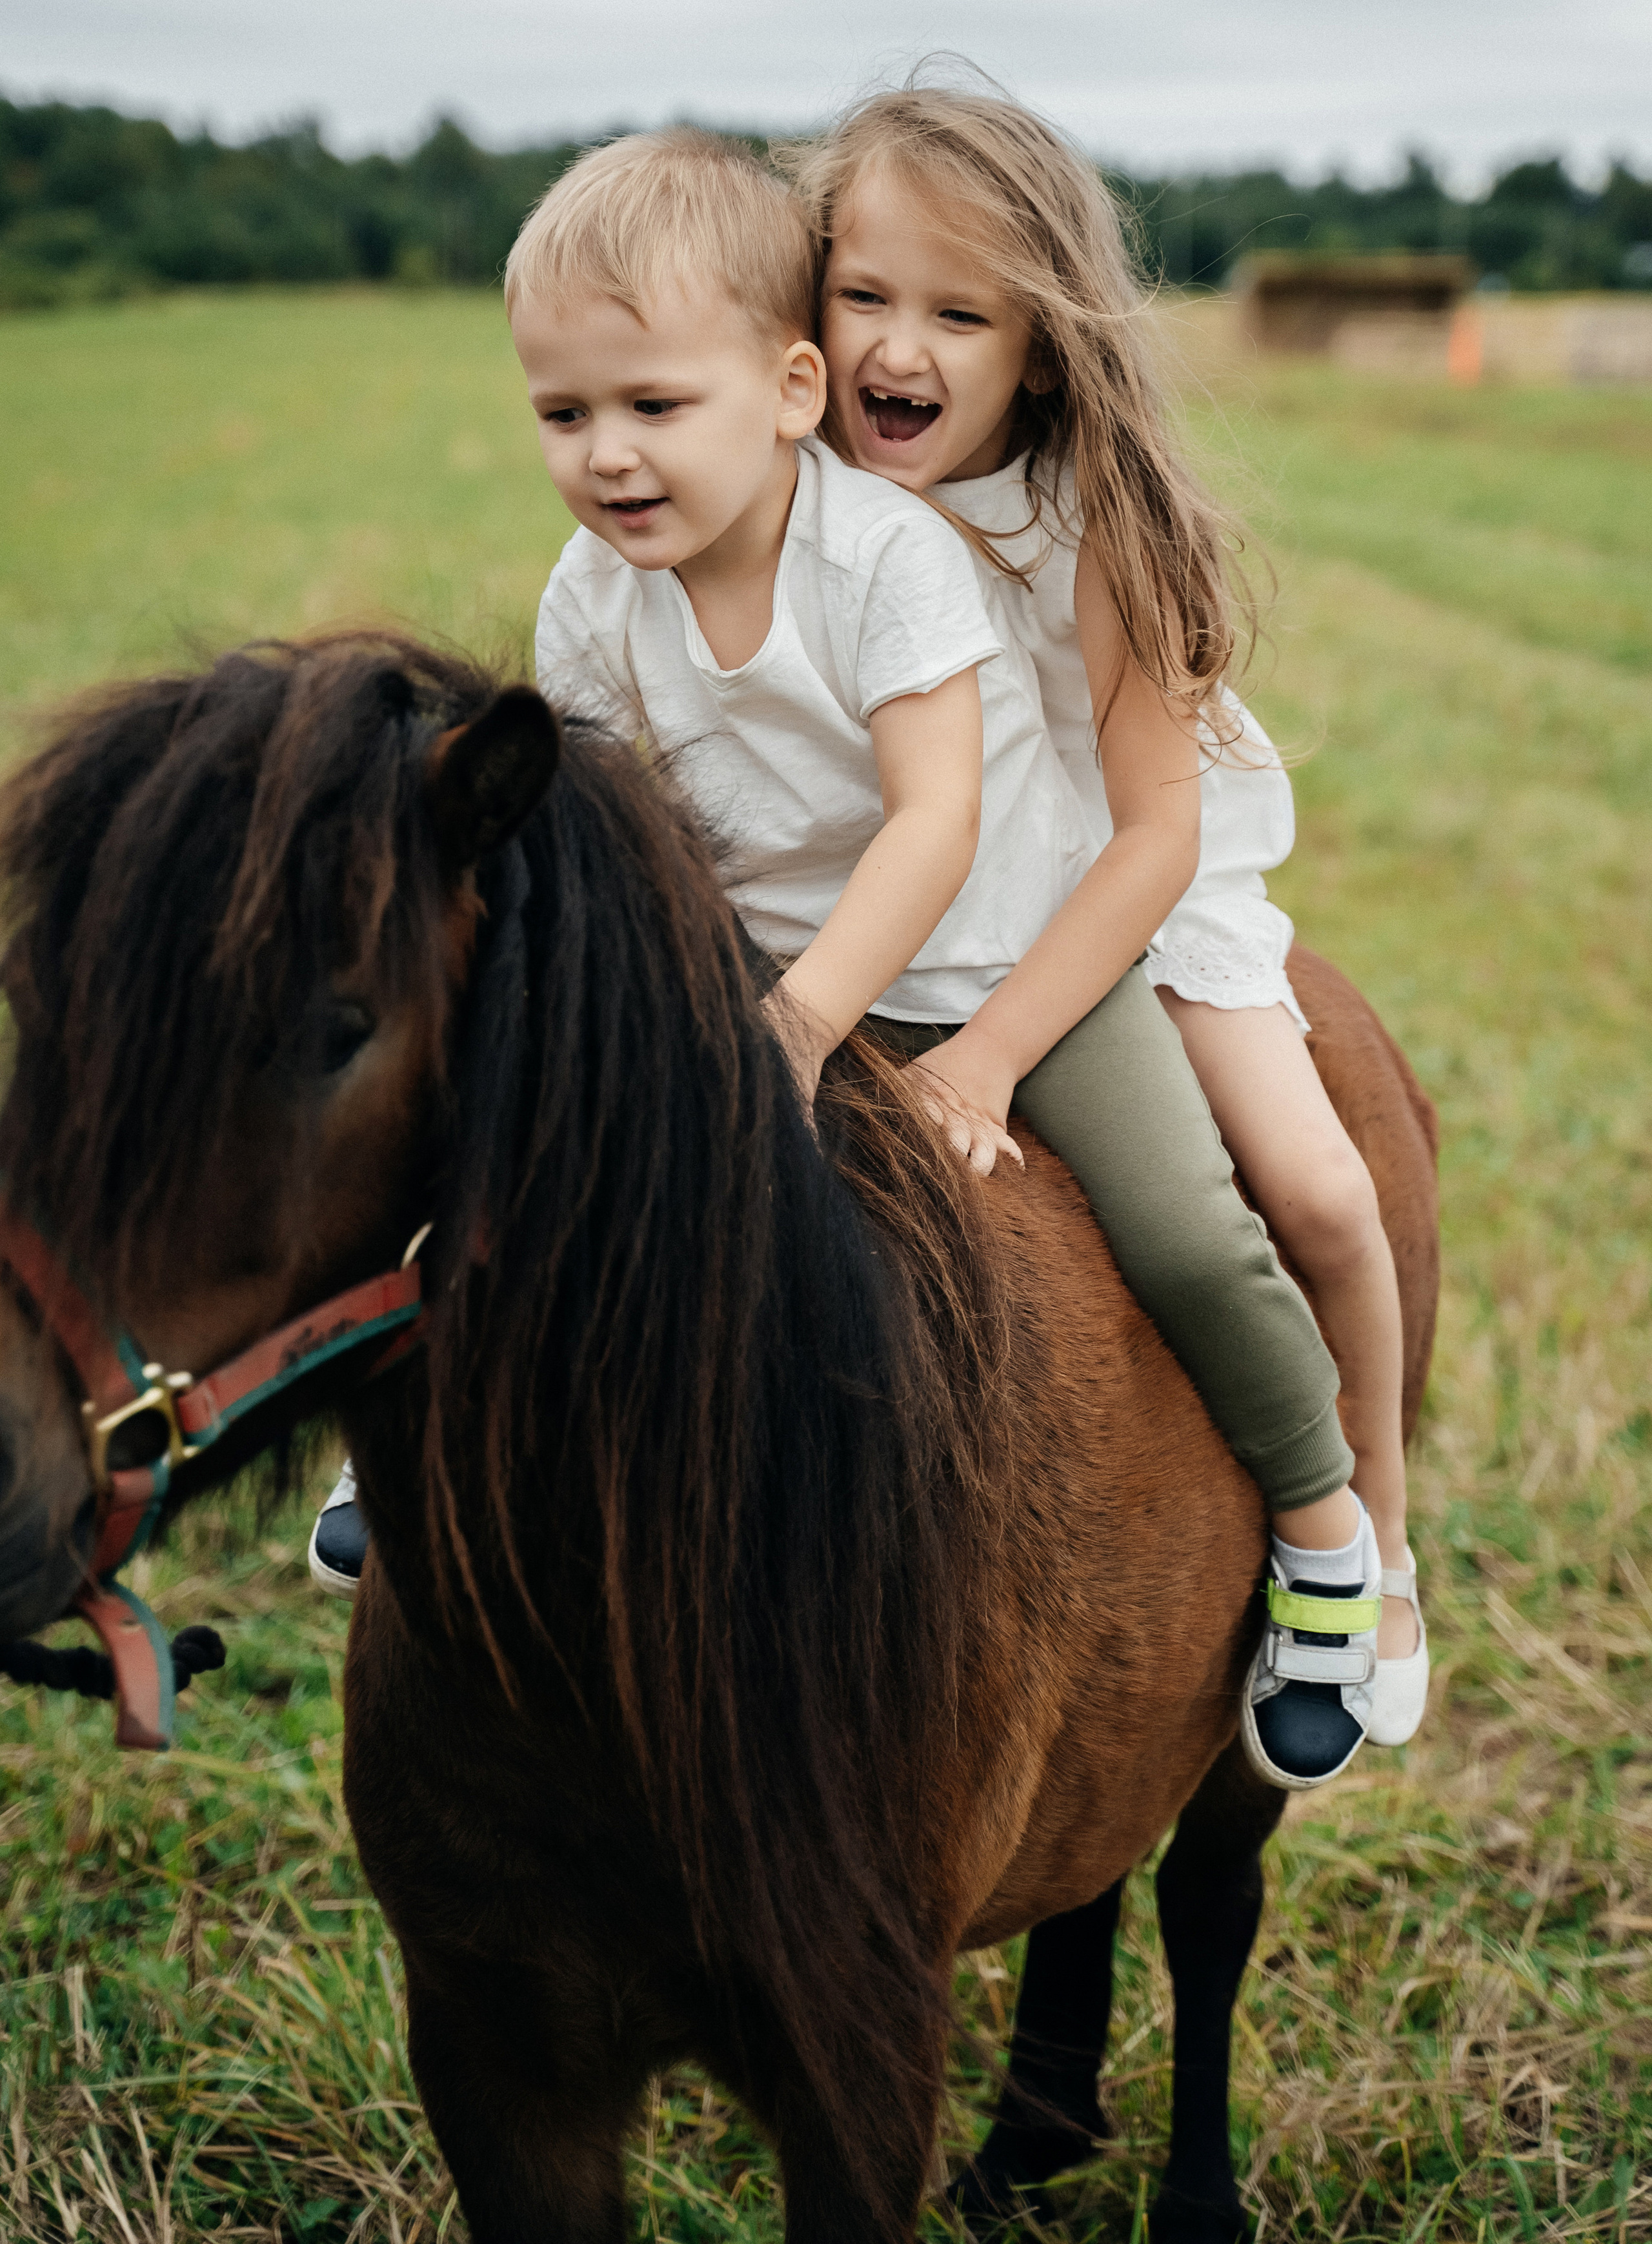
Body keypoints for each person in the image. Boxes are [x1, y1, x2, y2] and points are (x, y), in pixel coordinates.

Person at [308, 124, 1415, 1790]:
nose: (608, 455)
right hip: (774, 952)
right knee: (512, 1114)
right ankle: (432, 1432)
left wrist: (869, 1035)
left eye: (959, 313)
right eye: (565, 415)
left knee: (1201, 1228)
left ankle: (1332, 1529)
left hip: (1007, 954)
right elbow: (612, 827)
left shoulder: (894, 554)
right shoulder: (598, 587)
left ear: (789, 387)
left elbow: (943, 824)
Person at [779, 75, 1428, 1770]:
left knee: (1305, 1196)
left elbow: (1153, 837)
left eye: (958, 314)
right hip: (907, 882)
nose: (895, 347)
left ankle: (1365, 1533)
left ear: (1046, 350)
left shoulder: (1090, 526)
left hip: (1117, 887)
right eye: (863, 295)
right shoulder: (787, 483)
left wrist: (993, 1054)